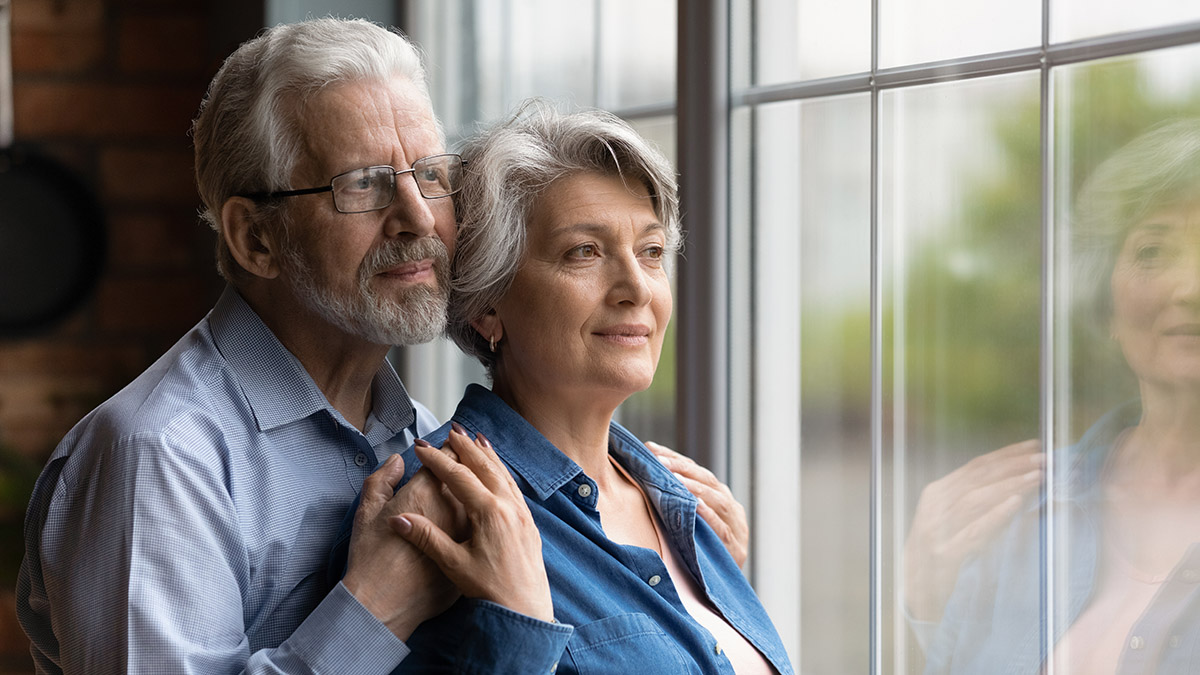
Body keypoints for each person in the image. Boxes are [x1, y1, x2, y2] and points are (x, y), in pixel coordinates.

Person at [17, 17, 749, 675]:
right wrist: (372, 609)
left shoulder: (425, 438)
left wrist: (689, 594)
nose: (416, 217)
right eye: (363, 185)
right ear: (255, 237)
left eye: (431, 174)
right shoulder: (159, 452)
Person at [333, 102, 794, 674]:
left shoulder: (683, 505)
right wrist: (519, 624)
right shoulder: (440, 512)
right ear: (486, 307)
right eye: (585, 252)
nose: (636, 288)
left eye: (651, 252)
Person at [911, 118, 1200, 674]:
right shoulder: (1024, 515)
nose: (1189, 287)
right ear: (1107, 302)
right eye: (1153, 251)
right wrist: (923, 599)